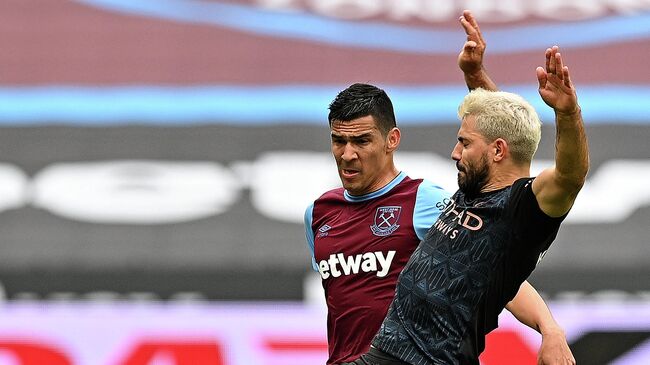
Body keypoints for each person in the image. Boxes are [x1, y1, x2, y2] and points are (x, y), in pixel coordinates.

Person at [304, 11, 574, 365]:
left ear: (391, 140)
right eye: (338, 141)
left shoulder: (424, 201)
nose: (347, 154)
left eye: (361, 141)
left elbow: (495, 272)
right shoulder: (319, 214)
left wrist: (549, 327)